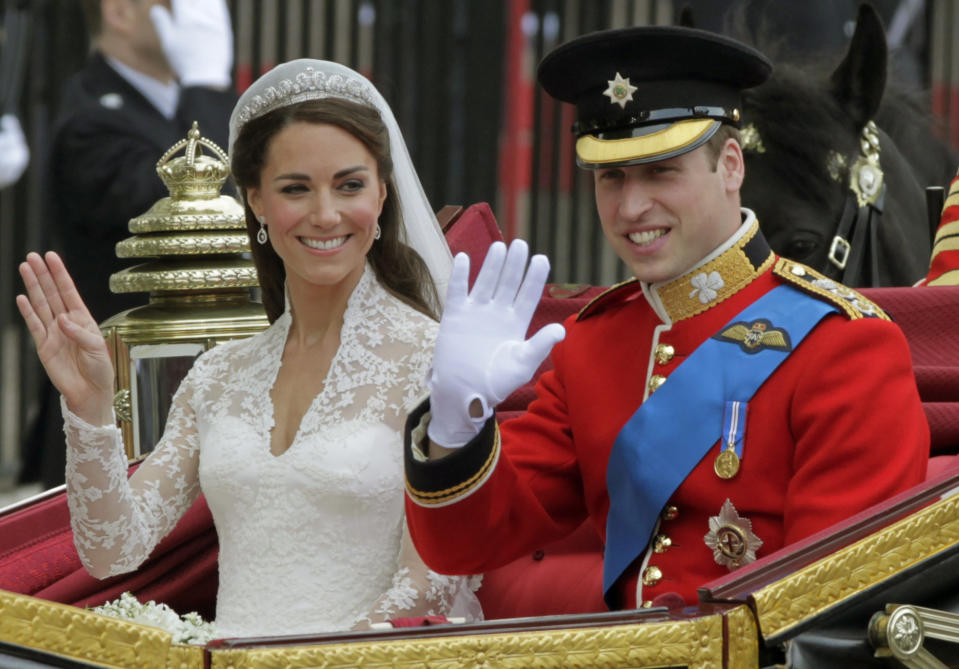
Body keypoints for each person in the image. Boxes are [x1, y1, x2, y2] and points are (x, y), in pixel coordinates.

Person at [402, 26, 930, 611]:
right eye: (612, 177)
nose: (631, 208)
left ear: (730, 166)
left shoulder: (847, 346)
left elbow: (832, 610)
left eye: (661, 172)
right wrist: (457, 426)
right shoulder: (593, 345)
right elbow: (465, 544)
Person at [16, 58, 480, 637]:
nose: (326, 214)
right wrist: (89, 411)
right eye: (295, 189)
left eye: (350, 185)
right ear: (256, 201)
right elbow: (113, 549)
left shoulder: (437, 363)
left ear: (383, 194)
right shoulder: (218, 374)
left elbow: (433, 580)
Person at [23, 0, 237, 490]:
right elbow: (186, 206)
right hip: (126, 404)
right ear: (120, 12)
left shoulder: (178, 106)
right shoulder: (91, 119)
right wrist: (206, 85)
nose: (205, 17)